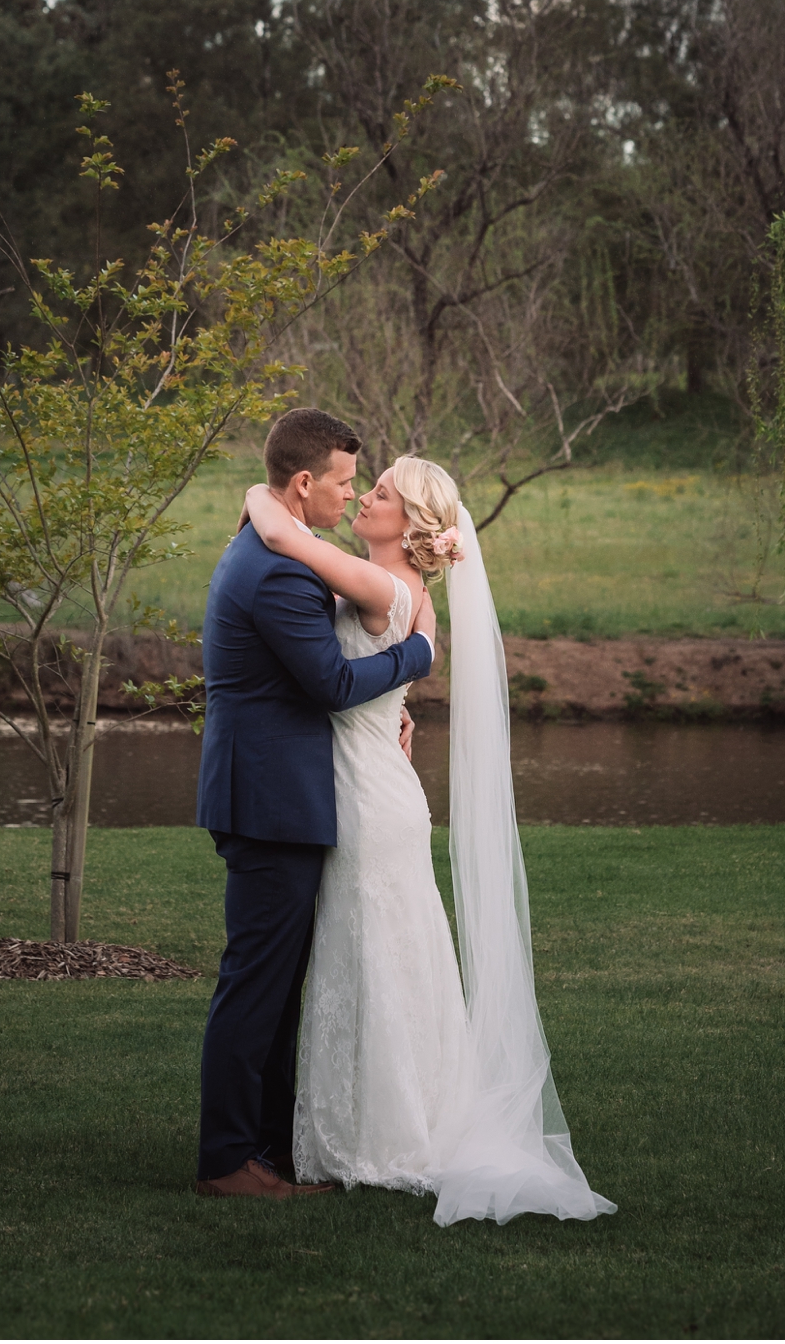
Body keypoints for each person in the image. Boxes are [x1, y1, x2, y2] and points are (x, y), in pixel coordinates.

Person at [248, 456, 616, 1227]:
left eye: (377, 493)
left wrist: (264, 484)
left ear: (409, 525)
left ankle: (382, 1138)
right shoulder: (412, 598)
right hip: (376, 780)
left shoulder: (380, 585)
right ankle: (394, 1123)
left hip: (368, 799)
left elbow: (279, 529)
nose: (363, 498)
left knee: (376, 958)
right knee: (391, 956)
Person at [193, 406, 436, 1201]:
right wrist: (413, 659)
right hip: (271, 801)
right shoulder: (282, 571)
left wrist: (394, 696)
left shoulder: (276, 549)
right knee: (257, 982)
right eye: (341, 481)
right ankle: (230, 1159)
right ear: (304, 483)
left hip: (287, 794)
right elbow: (332, 683)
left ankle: (269, 1144)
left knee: (279, 982)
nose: (351, 493)